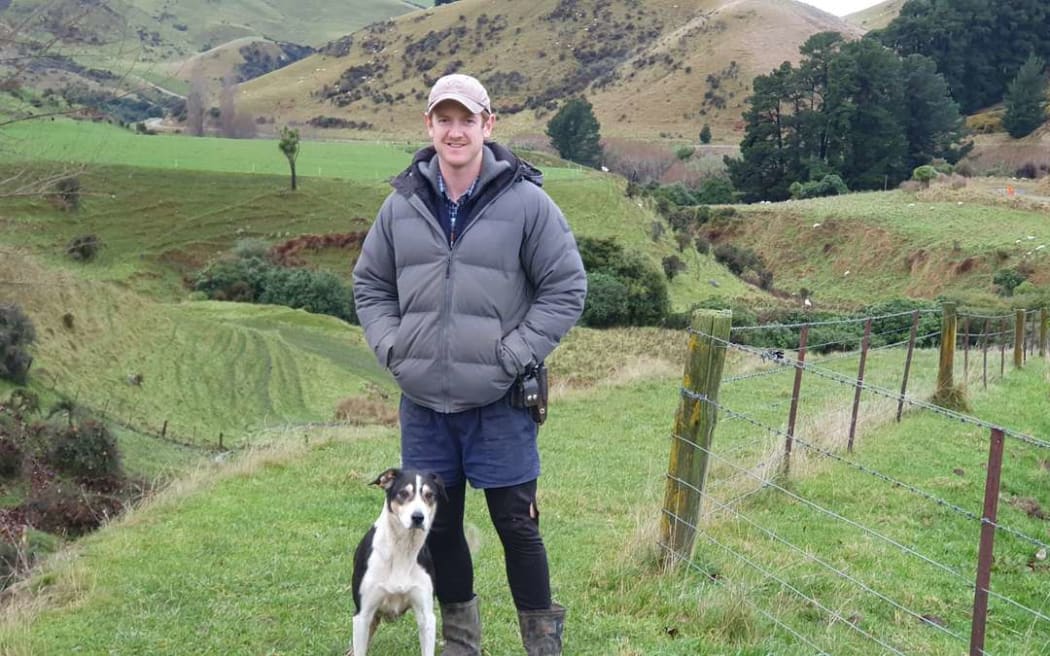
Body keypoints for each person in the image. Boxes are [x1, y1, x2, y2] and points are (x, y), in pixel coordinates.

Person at [352, 73, 587, 655]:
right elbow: (370, 284)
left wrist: (513, 354)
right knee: (442, 529)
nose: (455, 131)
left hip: (501, 401)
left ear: (489, 125)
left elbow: (566, 287)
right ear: (428, 126)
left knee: (517, 525)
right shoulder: (400, 204)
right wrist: (394, 349)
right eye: (444, 119)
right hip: (426, 405)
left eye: (467, 119)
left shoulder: (527, 202)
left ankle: (542, 645)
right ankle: (461, 645)